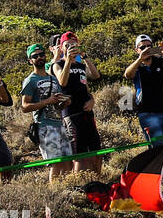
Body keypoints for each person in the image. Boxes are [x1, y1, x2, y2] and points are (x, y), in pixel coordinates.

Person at [20, 43, 72, 182]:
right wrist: (47, 101)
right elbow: (25, 106)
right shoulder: (30, 81)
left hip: (59, 123)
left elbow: (57, 103)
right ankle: (55, 191)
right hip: (44, 126)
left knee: (68, 161)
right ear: (30, 61)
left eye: (41, 54)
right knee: (55, 163)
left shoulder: (53, 78)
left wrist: (64, 102)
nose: (39, 58)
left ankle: (68, 188)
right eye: (35, 56)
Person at [52, 31, 103, 175]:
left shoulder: (81, 66)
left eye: (74, 45)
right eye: (67, 45)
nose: (71, 48)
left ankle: (97, 181)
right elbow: (62, 81)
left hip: (87, 112)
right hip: (71, 114)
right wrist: (68, 60)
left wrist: (85, 57)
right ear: (61, 48)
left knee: (96, 150)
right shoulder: (57, 64)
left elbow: (95, 75)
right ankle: (81, 183)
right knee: (79, 154)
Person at [124, 34, 163, 141]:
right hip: (147, 113)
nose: (146, 49)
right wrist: (140, 59)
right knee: (157, 148)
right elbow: (128, 74)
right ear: (137, 50)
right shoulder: (137, 65)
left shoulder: (160, 61)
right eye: (142, 47)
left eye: (149, 46)